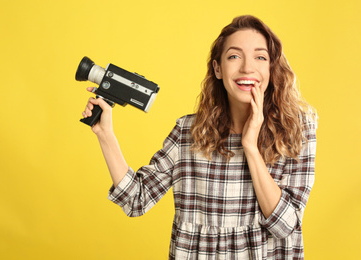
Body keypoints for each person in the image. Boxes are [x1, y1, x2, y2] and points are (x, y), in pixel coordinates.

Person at [82, 15, 317, 260]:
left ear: (271, 68)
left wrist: (250, 146)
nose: (247, 67)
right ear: (217, 68)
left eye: (260, 57)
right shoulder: (188, 132)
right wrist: (105, 135)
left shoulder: (297, 130)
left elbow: (284, 224)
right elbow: (136, 201)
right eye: (234, 56)